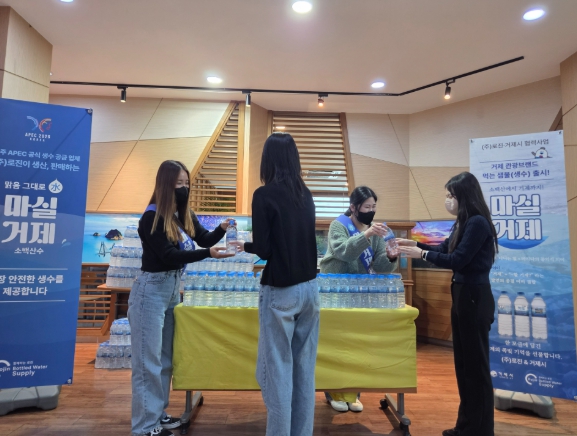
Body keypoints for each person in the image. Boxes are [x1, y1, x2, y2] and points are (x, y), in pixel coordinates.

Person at [128, 160, 234, 436]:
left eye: (187, 183)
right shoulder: (152, 217)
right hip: (150, 291)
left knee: (164, 359)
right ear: (165, 185)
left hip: (172, 289)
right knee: (147, 362)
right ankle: (144, 427)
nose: (184, 188)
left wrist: (221, 229)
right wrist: (207, 255)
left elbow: (204, 239)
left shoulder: (182, 213)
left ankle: (156, 413)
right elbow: (169, 256)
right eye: (179, 184)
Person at [397, 171, 498, 436]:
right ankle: (465, 426)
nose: (448, 200)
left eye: (451, 195)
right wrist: (413, 244)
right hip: (462, 295)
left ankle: (480, 430)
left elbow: (457, 260)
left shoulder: (477, 223)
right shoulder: (463, 223)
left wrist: (421, 254)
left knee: (476, 368)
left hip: (474, 297)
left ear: (465, 196)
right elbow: (443, 249)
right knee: (464, 366)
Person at [232, 132, 319, 436]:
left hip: (281, 291)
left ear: (267, 160)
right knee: (304, 370)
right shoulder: (305, 194)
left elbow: (265, 249)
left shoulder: (264, 195)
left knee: (278, 370)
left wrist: (244, 245)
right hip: (310, 289)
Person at [319, 186, 399, 413]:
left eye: (374, 207)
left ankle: (353, 393)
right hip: (334, 291)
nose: (371, 211)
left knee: (356, 342)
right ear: (353, 207)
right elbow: (344, 252)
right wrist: (367, 235)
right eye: (366, 207)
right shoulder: (339, 225)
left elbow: (380, 265)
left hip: (360, 292)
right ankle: (333, 392)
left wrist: (391, 256)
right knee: (335, 342)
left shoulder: (376, 231)